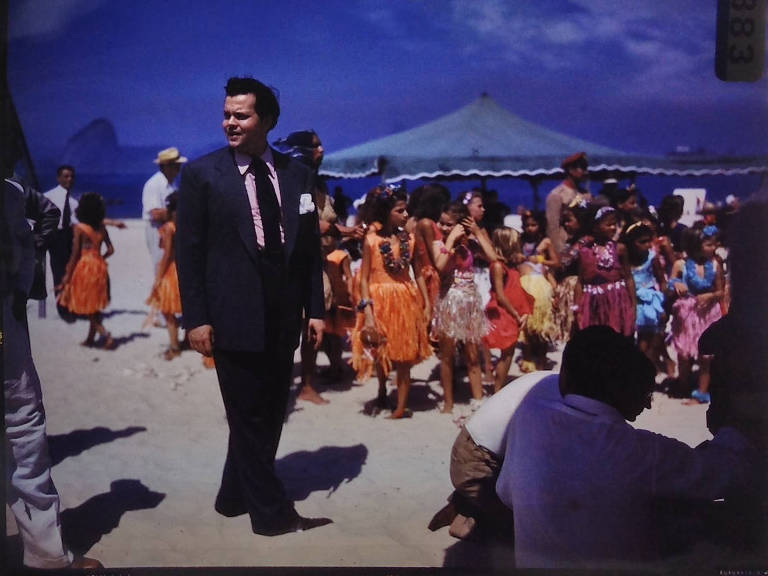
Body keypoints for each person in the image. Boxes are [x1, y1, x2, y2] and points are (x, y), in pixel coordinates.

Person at [176, 77, 330, 535]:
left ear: (267, 120)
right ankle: (273, 516)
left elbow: (309, 249)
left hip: (283, 309)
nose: (230, 122)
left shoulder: (298, 175)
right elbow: (189, 253)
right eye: (226, 114)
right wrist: (196, 319)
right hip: (230, 310)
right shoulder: (202, 174)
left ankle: (232, 497)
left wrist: (315, 309)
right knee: (245, 413)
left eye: (241, 115)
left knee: (270, 408)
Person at [496, 325, 756, 569]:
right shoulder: (640, 452)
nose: (649, 405)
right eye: (645, 393)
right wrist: (733, 427)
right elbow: (729, 472)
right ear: (623, 390)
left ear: (564, 379)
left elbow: (505, 492)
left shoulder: (531, 416)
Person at [2, 177, 102, 571]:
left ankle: (46, 552)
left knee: (24, 426)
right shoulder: (12, 191)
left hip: (6, 323)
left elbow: (46, 214)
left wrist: (28, 265)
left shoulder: (13, 191)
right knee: (22, 425)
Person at [274, 129, 364, 404]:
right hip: (295, 266)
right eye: (315, 146)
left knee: (320, 323)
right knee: (303, 326)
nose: (322, 150)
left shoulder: (316, 181)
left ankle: (317, 376)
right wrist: (345, 231)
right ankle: (305, 385)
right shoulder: (292, 180)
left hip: (319, 263)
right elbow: (311, 223)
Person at [428, 371, 560, 541]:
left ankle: (470, 504)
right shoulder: (552, 398)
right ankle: (471, 518)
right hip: (475, 464)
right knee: (530, 528)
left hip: (468, 452)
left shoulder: (547, 379)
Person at [350, 185, 432, 419]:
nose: (406, 215)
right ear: (386, 212)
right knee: (381, 350)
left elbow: (418, 272)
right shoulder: (371, 241)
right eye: (400, 210)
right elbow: (364, 278)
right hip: (379, 301)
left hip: (405, 299)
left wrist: (426, 302)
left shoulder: (410, 240)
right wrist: (367, 311)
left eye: (406, 210)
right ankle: (382, 390)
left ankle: (400, 406)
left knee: (404, 355)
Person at [432, 202, 496, 414]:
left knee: (472, 354)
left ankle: (477, 398)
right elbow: (440, 266)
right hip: (449, 302)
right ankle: (448, 402)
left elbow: (493, 258)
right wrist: (449, 240)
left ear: (460, 225)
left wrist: (477, 232)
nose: (443, 227)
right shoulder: (439, 244)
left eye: (449, 224)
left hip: (469, 302)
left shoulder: (471, 245)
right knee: (447, 355)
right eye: (441, 223)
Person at [669, 225, 724, 404]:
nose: (714, 248)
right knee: (684, 354)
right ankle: (683, 385)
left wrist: (710, 296)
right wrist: (676, 284)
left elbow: (721, 291)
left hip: (708, 314)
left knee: (706, 356)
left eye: (714, 244)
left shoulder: (715, 264)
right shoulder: (680, 264)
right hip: (686, 314)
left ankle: (701, 392)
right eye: (709, 244)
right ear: (694, 245)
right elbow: (670, 284)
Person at [57, 192, 116, 349]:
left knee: (87, 304)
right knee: (94, 303)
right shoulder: (102, 228)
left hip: (85, 267)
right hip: (100, 267)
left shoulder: (80, 228)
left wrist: (67, 275)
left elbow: (75, 254)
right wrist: (100, 257)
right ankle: (90, 338)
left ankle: (105, 335)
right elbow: (111, 249)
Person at [483, 227, 533, 392]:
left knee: (508, 352)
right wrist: (516, 314)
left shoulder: (508, 265)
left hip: (511, 311)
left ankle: (499, 386)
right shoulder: (498, 266)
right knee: (507, 352)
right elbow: (500, 295)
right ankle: (498, 389)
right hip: (504, 313)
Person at [575, 206, 636, 337]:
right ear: (595, 227)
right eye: (608, 224)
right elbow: (580, 282)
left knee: (615, 335)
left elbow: (629, 278)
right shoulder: (584, 252)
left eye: (615, 224)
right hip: (593, 303)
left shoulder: (620, 249)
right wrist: (577, 308)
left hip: (616, 301)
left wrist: (633, 305)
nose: (613, 227)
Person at [622, 220, 672, 375]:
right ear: (631, 243)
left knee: (649, 338)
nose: (648, 245)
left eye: (649, 241)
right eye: (642, 242)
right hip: (632, 301)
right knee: (635, 339)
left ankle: (644, 371)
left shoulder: (652, 258)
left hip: (650, 302)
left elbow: (661, 280)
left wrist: (664, 303)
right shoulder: (625, 259)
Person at [518, 209, 558, 372]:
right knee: (526, 325)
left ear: (540, 225)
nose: (530, 228)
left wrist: (541, 259)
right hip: (524, 283)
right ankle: (527, 359)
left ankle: (541, 360)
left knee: (541, 325)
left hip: (540, 284)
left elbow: (556, 262)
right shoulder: (520, 240)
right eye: (527, 225)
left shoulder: (546, 242)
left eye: (534, 225)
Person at [146, 192, 182, 360]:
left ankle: (174, 347)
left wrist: (158, 278)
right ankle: (185, 341)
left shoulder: (169, 228)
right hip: (184, 269)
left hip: (172, 270)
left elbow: (167, 255)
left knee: (168, 311)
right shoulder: (185, 225)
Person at [142, 147, 186, 277]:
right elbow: (155, 213)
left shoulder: (172, 183)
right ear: (167, 166)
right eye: (176, 165)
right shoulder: (154, 184)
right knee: (161, 260)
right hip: (157, 230)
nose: (179, 168)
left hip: (169, 228)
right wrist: (179, 212)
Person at [545, 152, 590, 256]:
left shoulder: (585, 194)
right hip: (565, 243)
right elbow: (552, 227)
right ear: (571, 170)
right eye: (582, 168)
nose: (585, 172)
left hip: (584, 244)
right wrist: (559, 251)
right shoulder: (557, 195)